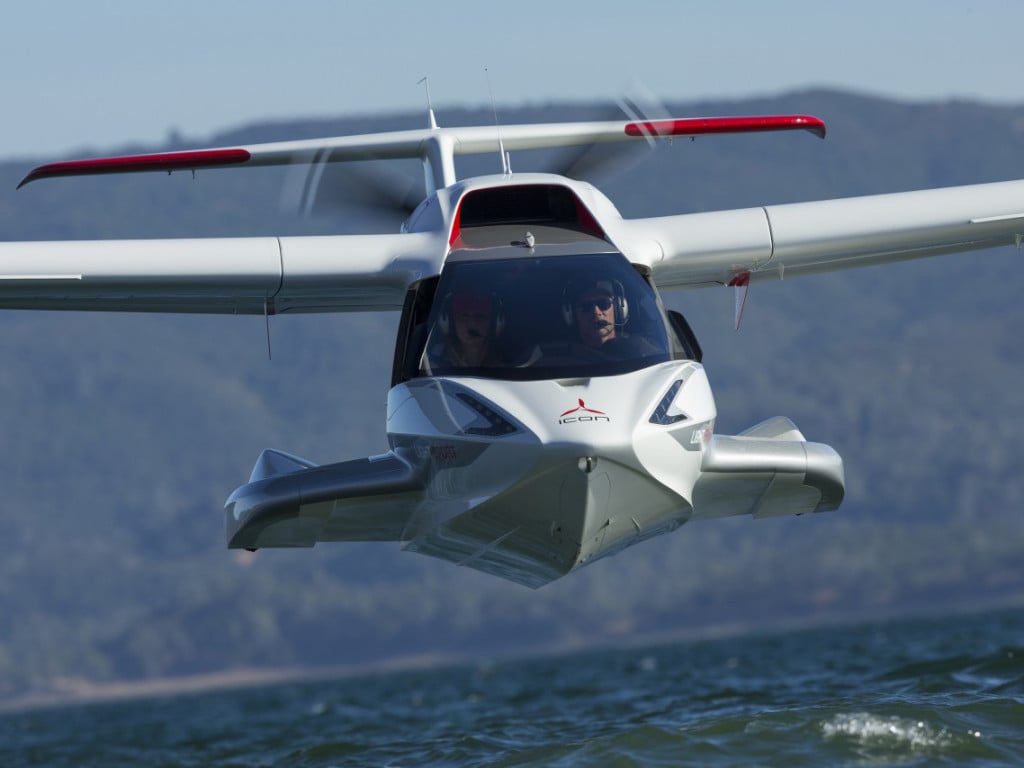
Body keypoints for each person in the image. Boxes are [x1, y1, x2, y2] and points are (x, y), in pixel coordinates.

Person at [433, 290, 503, 368]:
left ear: (494, 323)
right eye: (464, 317)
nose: (472, 325)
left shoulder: (507, 360)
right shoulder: (432, 361)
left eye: (480, 317)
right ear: (450, 323)